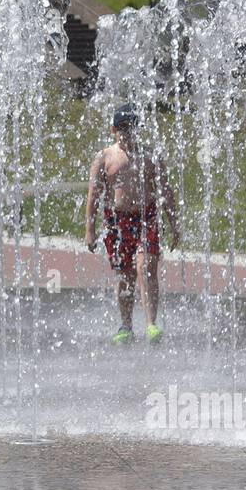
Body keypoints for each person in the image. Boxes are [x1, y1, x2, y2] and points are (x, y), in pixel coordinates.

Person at [85, 104, 180, 345]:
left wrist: (174, 224)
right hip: (117, 221)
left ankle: (151, 324)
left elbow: (166, 191)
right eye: (122, 129)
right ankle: (126, 325)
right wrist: (90, 229)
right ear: (113, 130)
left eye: (132, 128)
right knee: (125, 274)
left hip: (146, 217)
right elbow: (93, 195)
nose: (127, 134)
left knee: (145, 267)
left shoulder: (149, 157)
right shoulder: (104, 157)